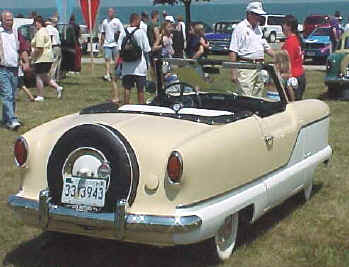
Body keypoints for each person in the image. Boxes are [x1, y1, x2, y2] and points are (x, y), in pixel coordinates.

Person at [229, 1, 274, 97]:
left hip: (259, 66)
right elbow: (233, 51)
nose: (259, 18)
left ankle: (256, 112)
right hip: (246, 67)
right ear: (249, 14)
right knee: (246, 95)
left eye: (259, 15)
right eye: (257, 15)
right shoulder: (240, 28)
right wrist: (233, 72)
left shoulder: (258, 29)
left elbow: (265, 46)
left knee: (258, 94)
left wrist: (278, 57)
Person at [118, 13, 151, 104]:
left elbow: (119, 49)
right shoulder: (141, 32)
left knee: (127, 88)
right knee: (140, 89)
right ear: (136, 21)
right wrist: (149, 65)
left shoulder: (123, 32)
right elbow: (147, 49)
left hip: (126, 67)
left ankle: (126, 106)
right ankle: (140, 107)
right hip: (139, 66)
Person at [31, 16, 63, 101]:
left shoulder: (40, 33)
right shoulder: (45, 31)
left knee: (39, 76)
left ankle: (40, 95)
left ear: (38, 23)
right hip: (48, 57)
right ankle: (58, 87)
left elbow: (39, 47)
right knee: (44, 76)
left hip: (42, 57)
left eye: (35, 24)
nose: (35, 26)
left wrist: (33, 56)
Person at [0, 11, 21, 129]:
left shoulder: (15, 32)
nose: (10, 22)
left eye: (11, 20)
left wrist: (24, 61)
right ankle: (12, 120)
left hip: (14, 67)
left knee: (12, 95)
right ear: (2, 21)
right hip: (2, 68)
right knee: (7, 94)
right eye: (7, 20)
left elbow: (20, 47)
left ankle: (6, 119)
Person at [282, 14, 306, 100]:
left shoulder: (290, 43)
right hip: (300, 74)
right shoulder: (297, 39)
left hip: (293, 78)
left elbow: (287, 63)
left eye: (283, 24)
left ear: (288, 26)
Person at [100, 8, 124, 82]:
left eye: (111, 12)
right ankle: (107, 74)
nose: (110, 13)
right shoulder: (105, 21)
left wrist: (119, 40)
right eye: (109, 12)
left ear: (114, 13)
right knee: (107, 59)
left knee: (116, 60)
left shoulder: (117, 21)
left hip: (115, 44)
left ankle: (116, 73)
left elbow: (122, 31)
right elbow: (103, 33)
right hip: (107, 44)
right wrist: (101, 42)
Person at [46, 17, 62, 82]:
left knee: (56, 63)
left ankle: (54, 78)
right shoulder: (52, 29)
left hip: (55, 47)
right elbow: (51, 37)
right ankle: (53, 78)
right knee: (55, 63)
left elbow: (51, 38)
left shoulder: (51, 28)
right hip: (55, 46)